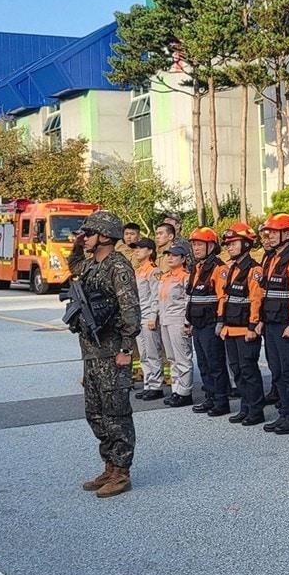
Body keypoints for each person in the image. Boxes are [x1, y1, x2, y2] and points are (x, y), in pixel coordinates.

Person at [71, 212, 141, 498]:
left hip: (113, 352)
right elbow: (73, 266)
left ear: (105, 236)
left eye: (88, 233)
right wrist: (77, 243)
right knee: (95, 413)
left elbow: (131, 311)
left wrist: (126, 349)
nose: (84, 237)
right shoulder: (91, 265)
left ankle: (122, 472)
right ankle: (110, 465)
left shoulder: (118, 267)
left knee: (117, 413)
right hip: (92, 353)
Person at [259, 214, 289, 435]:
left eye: (273, 231)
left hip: (286, 325)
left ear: (287, 234)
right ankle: (284, 412)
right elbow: (263, 293)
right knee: (276, 370)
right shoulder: (270, 259)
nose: (269, 235)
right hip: (270, 323)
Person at [218, 222, 266, 425]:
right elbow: (226, 297)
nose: (229, 247)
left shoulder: (254, 270)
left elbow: (256, 300)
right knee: (237, 370)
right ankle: (245, 407)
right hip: (231, 328)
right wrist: (222, 323)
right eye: (227, 244)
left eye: (233, 243)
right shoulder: (231, 268)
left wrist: (253, 326)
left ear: (246, 244)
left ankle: (256, 410)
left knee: (249, 370)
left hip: (246, 329)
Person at [186, 227, 231, 416]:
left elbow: (223, 297)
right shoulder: (197, 268)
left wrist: (221, 321)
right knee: (203, 364)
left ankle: (221, 401)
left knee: (215, 364)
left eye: (199, 244)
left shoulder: (219, 269)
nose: (195, 248)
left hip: (211, 323)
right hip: (198, 323)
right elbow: (192, 297)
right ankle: (210, 397)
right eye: (194, 244)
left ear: (211, 246)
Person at [157, 242, 195, 408]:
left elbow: (189, 301)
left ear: (183, 258)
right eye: (168, 255)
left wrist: (188, 322)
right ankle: (176, 389)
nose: (170, 258)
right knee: (172, 358)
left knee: (182, 358)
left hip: (178, 319)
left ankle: (185, 392)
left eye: (174, 255)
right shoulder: (165, 277)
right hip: (166, 319)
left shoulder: (185, 277)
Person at [127, 239, 165, 401]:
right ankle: (148, 383)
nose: (136, 251)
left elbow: (156, 295)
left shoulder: (153, 271)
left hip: (149, 316)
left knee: (152, 352)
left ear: (150, 251)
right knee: (143, 353)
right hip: (139, 316)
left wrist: (153, 316)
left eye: (140, 248)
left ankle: (156, 386)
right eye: (135, 249)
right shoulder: (139, 270)